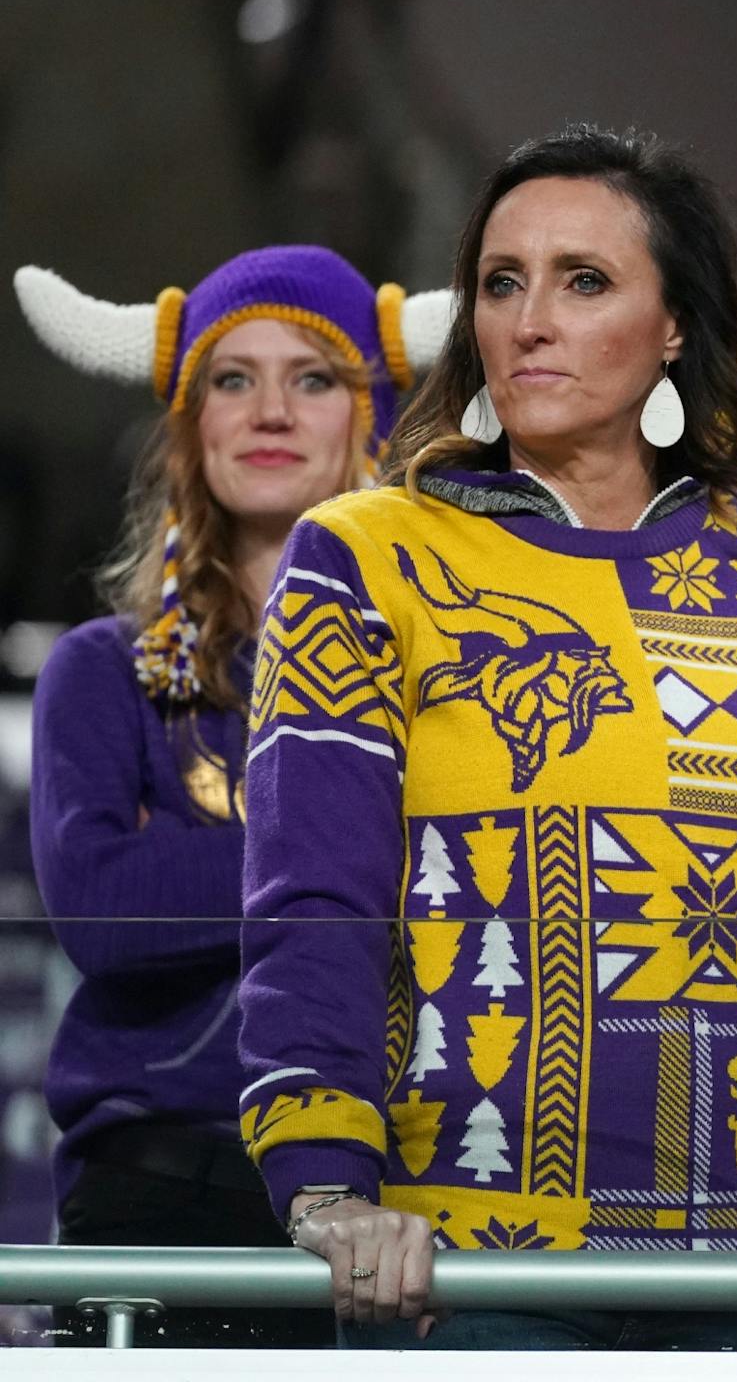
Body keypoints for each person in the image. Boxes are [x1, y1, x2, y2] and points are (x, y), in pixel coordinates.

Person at [234, 124, 737, 1349]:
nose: (530, 321)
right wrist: (325, 1180)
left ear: (675, 327)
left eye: (583, 281)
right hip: (467, 1262)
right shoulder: (368, 556)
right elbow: (315, 896)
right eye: (502, 283)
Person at [18, 245, 437, 1346]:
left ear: (371, 418)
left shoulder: (443, 671)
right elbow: (107, 910)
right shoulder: (103, 671)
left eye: (314, 378)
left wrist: (194, 856)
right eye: (232, 379)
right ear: (190, 426)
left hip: (400, 1190)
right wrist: (361, 853)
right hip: (166, 1183)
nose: (270, 411)